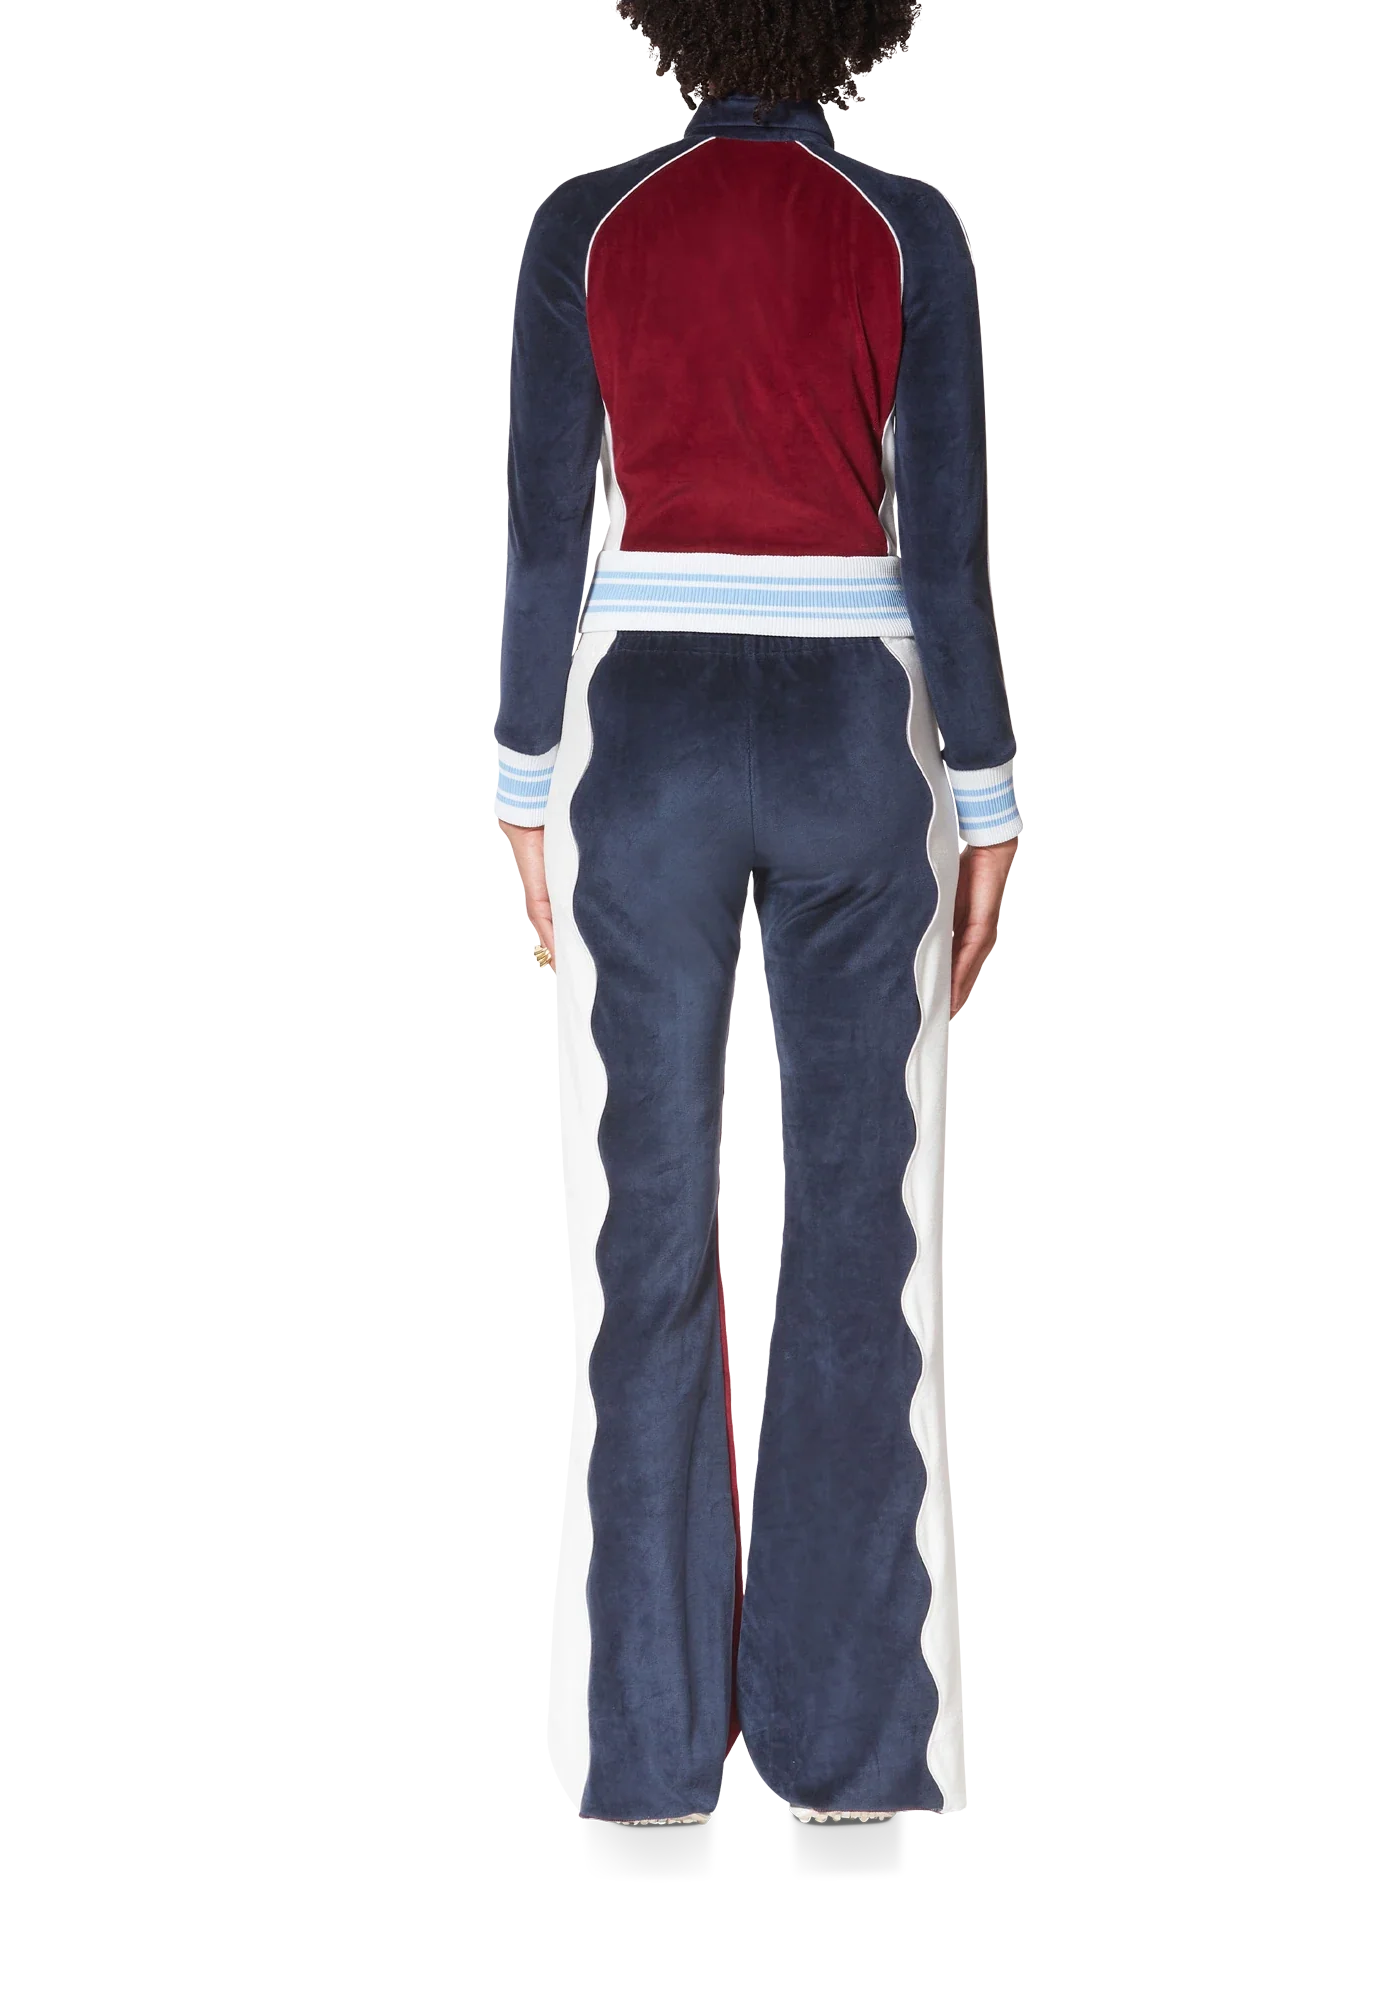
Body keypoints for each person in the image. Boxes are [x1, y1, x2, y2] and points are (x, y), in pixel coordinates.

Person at [493, 0, 1023, 1825]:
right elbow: (944, 552)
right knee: (851, 1229)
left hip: (642, 744)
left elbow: (545, 530)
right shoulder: (905, 230)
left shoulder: (585, 223)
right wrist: (989, 793)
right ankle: (844, 1745)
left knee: (644, 1237)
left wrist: (518, 774)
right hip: (848, 746)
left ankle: (647, 1754)